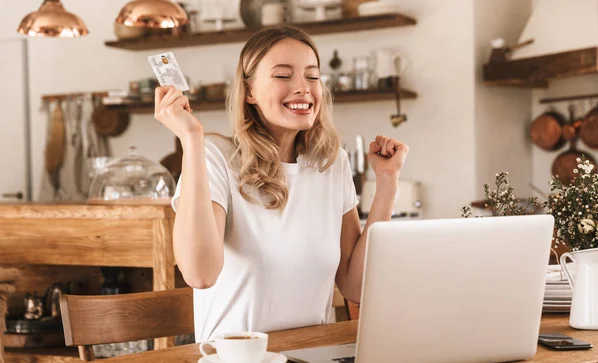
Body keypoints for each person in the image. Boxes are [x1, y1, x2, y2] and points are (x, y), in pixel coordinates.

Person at [154, 25, 409, 341]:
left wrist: (386, 184)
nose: (303, 88)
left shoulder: (332, 164)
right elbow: (200, 274)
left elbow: (354, 285)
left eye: (312, 76)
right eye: (283, 75)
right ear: (249, 91)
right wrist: (191, 139)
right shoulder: (216, 157)